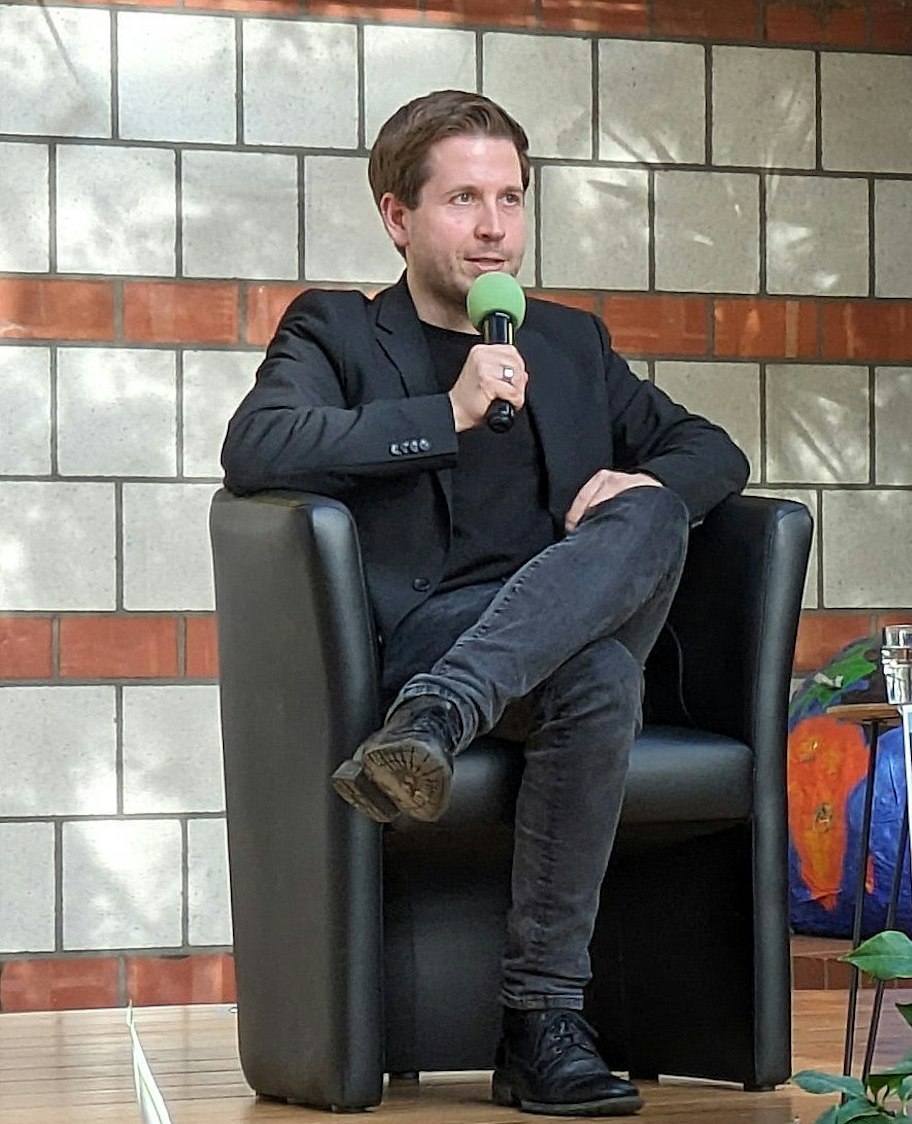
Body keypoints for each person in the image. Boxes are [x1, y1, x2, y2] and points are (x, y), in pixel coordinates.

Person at [220, 90, 749, 1117]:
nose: (495, 224)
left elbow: (710, 449)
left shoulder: (566, 342)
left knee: (650, 512)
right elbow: (259, 448)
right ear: (397, 217)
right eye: (464, 197)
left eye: (510, 196)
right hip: (428, 628)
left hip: (507, 653)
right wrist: (442, 413)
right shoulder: (333, 330)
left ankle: (436, 718)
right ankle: (541, 1027)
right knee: (597, 676)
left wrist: (648, 489)